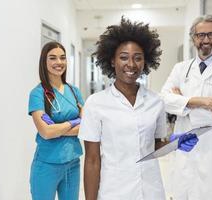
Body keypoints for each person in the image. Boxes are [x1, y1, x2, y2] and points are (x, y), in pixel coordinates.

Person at [78, 17, 199, 200]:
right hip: (114, 191)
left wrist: (175, 142)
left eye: (138, 58)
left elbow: (156, 144)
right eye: (124, 57)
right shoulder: (96, 103)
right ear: (112, 61)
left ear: (146, 61)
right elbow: (92, 160)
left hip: (150, 189)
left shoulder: (156, 101)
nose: (131, 64)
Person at [160, 15, 212, 200]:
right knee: (186, 190)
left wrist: (182, 101)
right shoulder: (181, 68)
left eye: (211, 35)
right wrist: (199, 101)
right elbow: (164, 99)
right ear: (193, 39)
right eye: (200, 35)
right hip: (187, 145)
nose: (205, 40)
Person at [28, 41, 84, 200]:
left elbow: (87, 126)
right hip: (47, 165)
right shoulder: (38, 94)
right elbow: (46, 132)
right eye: (52, 58)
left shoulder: (74, 92)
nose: (58, 62)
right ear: (44, 62)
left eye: (62, 58)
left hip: (73, 163)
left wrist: (58, 128)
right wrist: (74, 122)